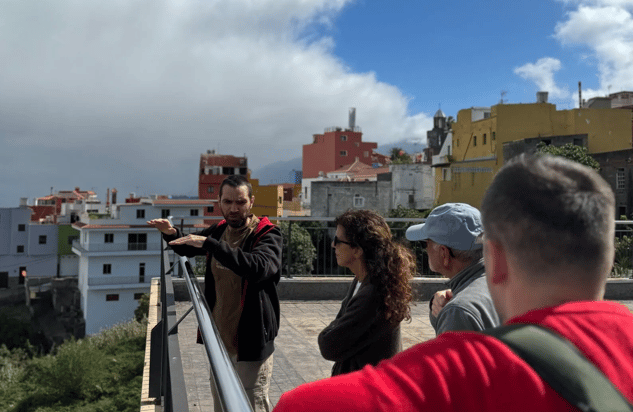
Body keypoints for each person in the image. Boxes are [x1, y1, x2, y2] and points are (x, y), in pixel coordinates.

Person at [273, 154, 633, 412]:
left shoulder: (463, 356)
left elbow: (298, 404)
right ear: (608, 252)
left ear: (497, 256)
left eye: (429, 244)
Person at [148, 175, 282, 412]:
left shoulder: (266, 234)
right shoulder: (220, 230)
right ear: (219, 201)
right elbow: (192, 244)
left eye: (240, 202)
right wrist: (170, 233)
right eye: (228, 201)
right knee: (221, 404)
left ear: (251, 202)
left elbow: (260, 267)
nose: (233, 208)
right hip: (220, 340)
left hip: (250, 344)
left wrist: (211, 245)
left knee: (250, 405)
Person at [318, 209, 415, 376]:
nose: (333, 245)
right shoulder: (364, 280)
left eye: (338, 240)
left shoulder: (373, 294)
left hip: (367, 390)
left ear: (357, 250)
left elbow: (328, 345)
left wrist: (332, 330)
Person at [406, 203, 500, 334]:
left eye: (425, 243)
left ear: (444, 253)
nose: (425, 249)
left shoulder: (458, 312)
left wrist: (452, 309)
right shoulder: (508, 281)